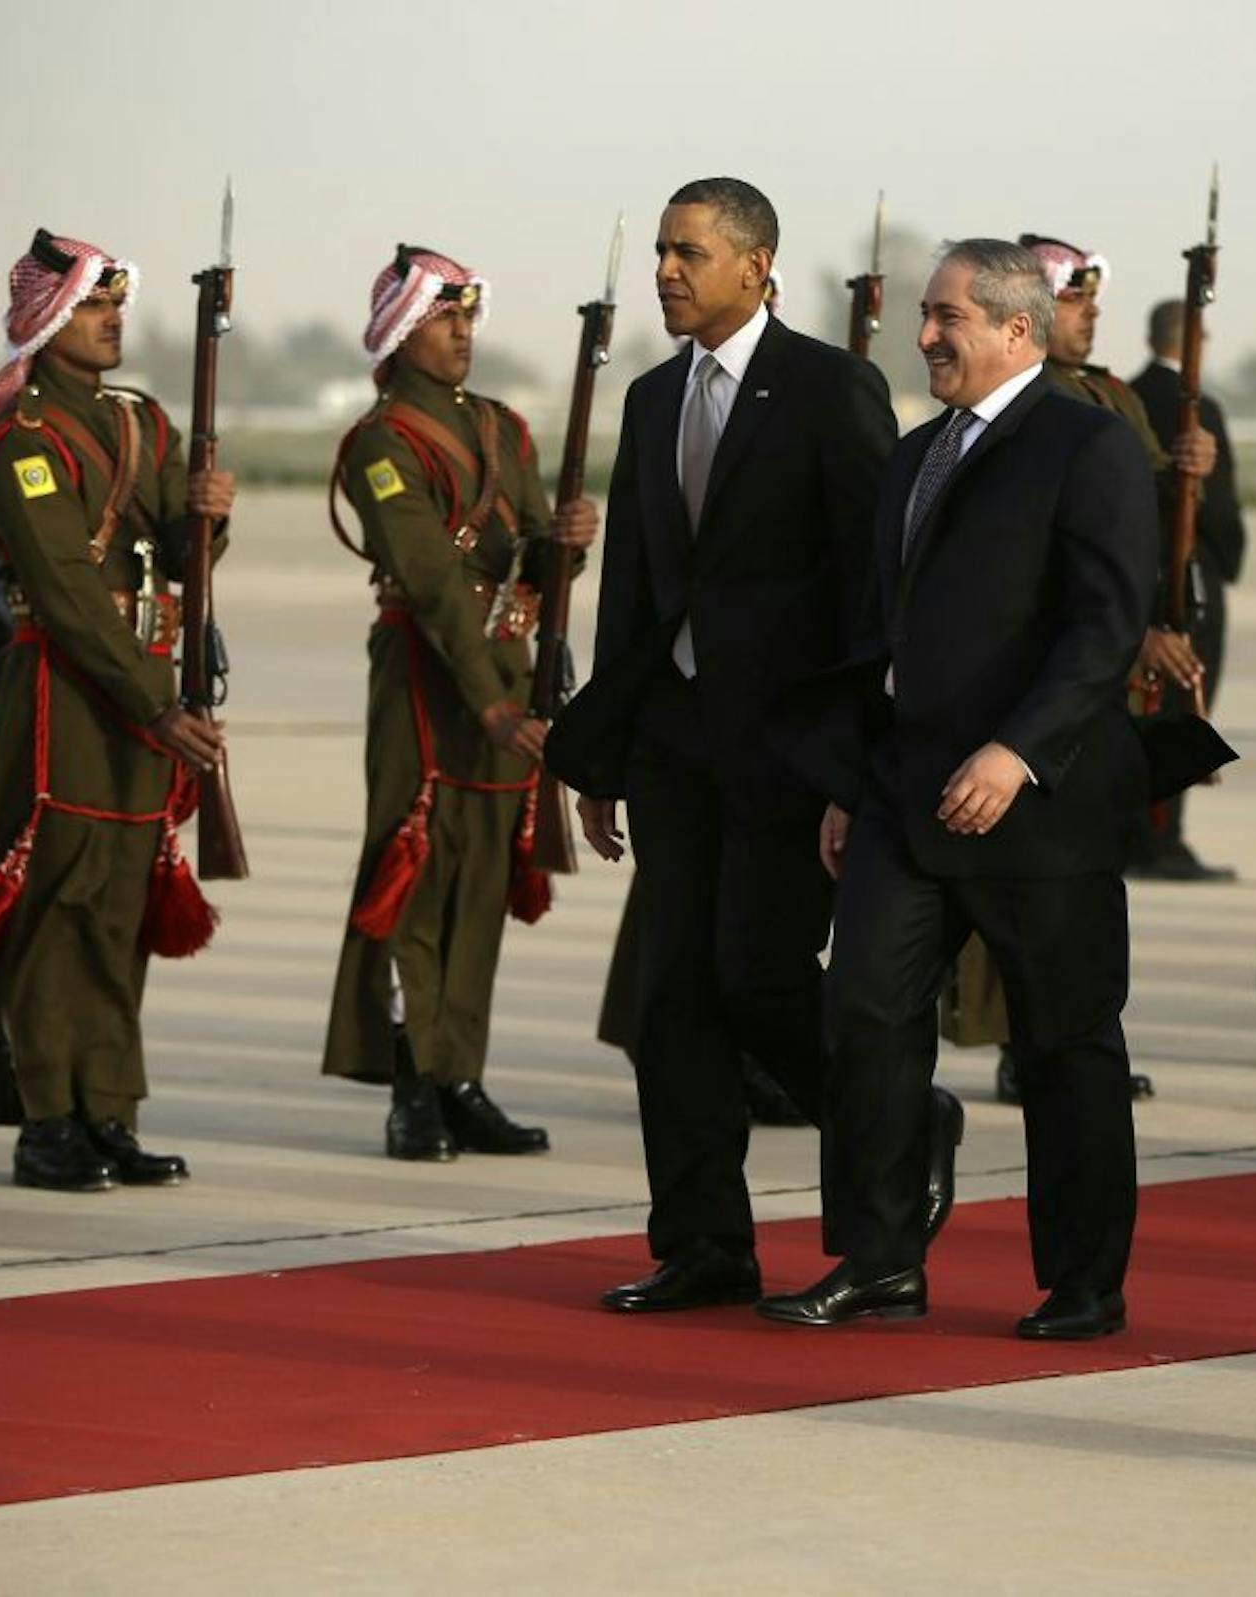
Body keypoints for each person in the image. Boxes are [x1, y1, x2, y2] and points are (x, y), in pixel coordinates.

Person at [548, 178, 955, 1314]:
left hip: (788, 749)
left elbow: (875, 591)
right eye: (662, 254)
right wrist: (607, 754)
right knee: (668, 998)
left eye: (689, 253)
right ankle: (704, 1243)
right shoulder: (650, 398)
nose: (668, 273)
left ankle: (904, 1126)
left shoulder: (831, 389)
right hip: (674, 743)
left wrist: (854, 760)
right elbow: (633, 585)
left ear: (756, 264)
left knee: (758, 977)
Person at [757, 238, 1163, 1339]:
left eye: (947, 318)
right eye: (927, 318)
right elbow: (886, 634)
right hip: (902, 793)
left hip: (1041, 803)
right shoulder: (918, 452)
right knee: (865, 1015)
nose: (926, 335)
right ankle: (880, 1255)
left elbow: (1105, 625)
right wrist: (852, 777)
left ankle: (1085, 1281)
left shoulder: (1090, 447)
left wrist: (1017, 751)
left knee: (1066, 1044)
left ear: (1016, 330)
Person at [0, 229, 233, 1191]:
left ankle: (108, 1111)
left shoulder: (140, 423)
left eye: (115, 305)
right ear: (50, 316)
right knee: (56, 908)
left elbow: (178, 561)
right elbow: (64, 589)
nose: (113, 321)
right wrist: (155, 704)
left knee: (118, 907)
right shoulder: (28, 436)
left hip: (139, 688)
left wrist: (207, 520)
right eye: (95, 306)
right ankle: (46, 1119)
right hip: (69, 688)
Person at [323, 245, 595, 1161]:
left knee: (482, 878)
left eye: (469, 317)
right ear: (403, 331)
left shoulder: (505, 430)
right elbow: (432, 577)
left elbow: (524, 558)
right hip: (428, 683)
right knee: (416, 876)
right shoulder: (383, 441)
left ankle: (459, 1076)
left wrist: (566, 546)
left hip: (504, 677)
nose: (463, 333)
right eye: (445, 318)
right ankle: (412, 1085)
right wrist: (486, 702)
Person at [943, 232, 1212, 1104]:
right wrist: (1131, 635)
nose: (1090, 317)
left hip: (1103, 675)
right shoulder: (1021, 409)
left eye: (1094, 303)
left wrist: (1188, 475)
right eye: (1075, 302)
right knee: (1015, 862)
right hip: (1042, 672)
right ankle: (1023, 1036)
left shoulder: (1111, 397)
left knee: (1088, 857)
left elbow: (1134, 523)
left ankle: (1069, 1027)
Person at [1129, 297, 1247, 880]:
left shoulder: (1126, 395)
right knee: (1181, 705)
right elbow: (1221, 510)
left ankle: (1143, 831)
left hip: (1137, 577)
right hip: (1187, 579)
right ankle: (1162, 838)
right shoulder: (1200, 411)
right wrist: (1227, 553)